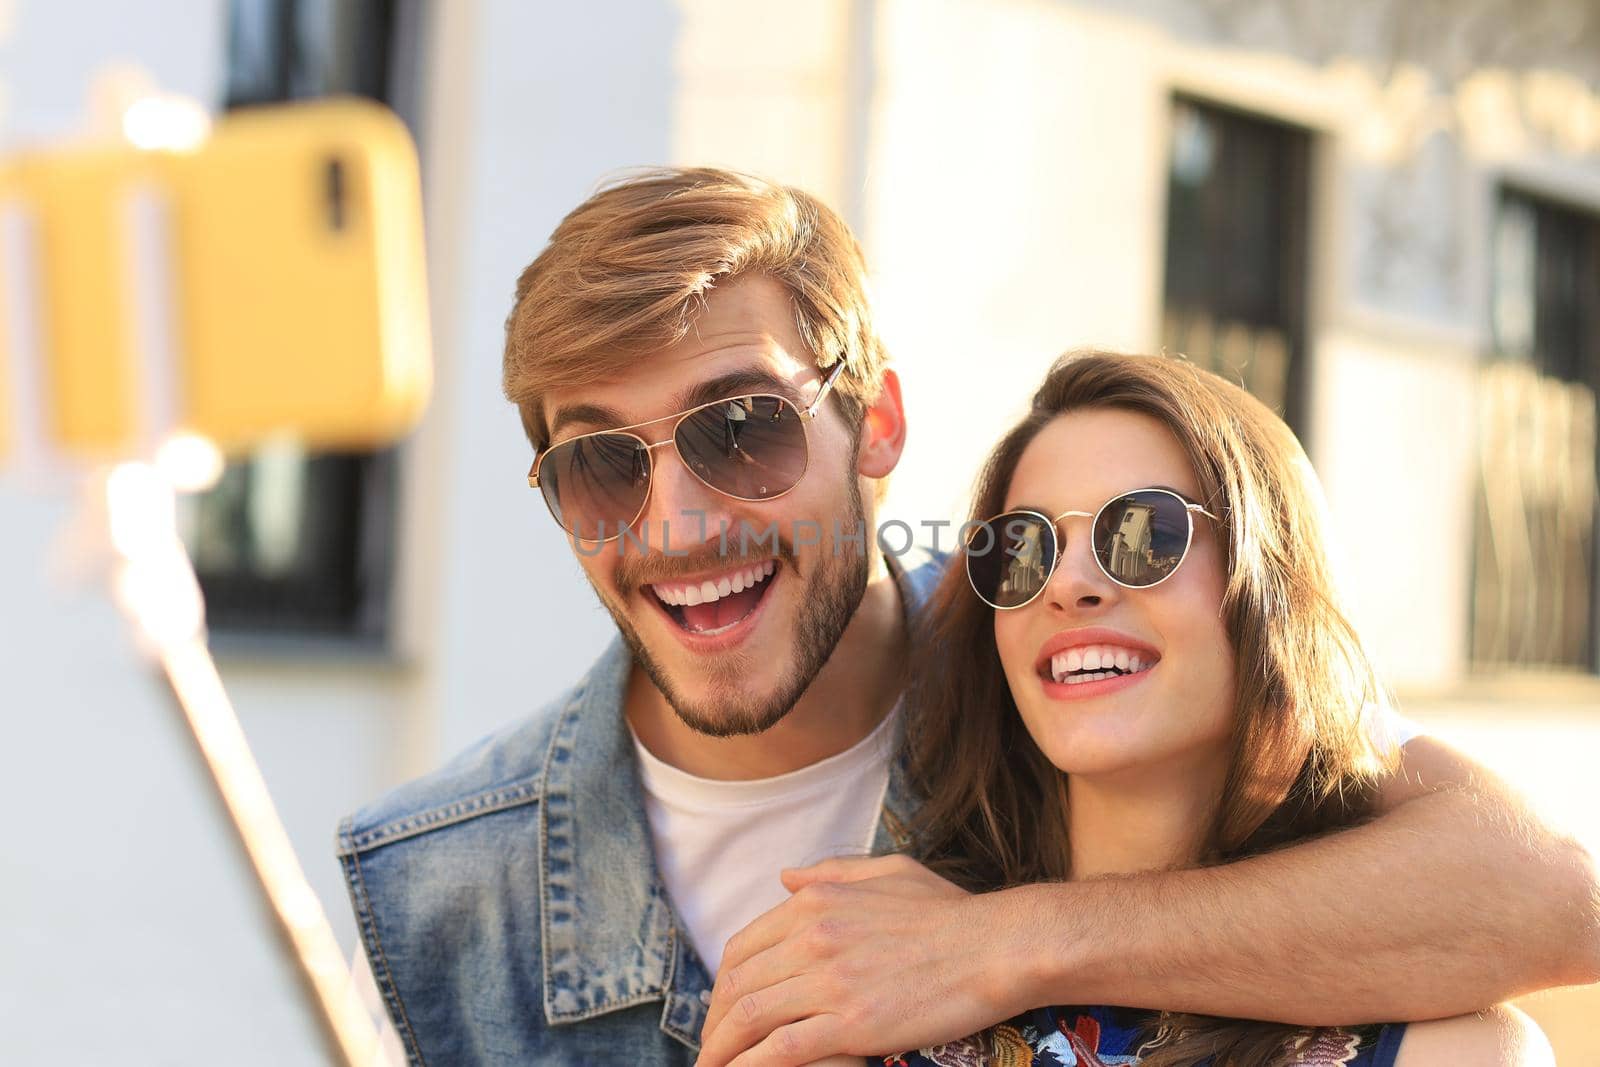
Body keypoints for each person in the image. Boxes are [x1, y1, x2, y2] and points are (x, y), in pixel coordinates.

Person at [335, 168, 1598, 1066]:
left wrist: (1005, 947)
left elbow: (1543, 896)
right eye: (602, 466)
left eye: (743, 428)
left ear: (874, 421)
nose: (675, 525)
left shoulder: (1062, 664)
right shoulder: (439, 897)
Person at [892, 351, 1551, 1064]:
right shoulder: (882, 987)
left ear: (1271, 589)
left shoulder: (1457, 1052)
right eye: (1026, 547)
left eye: (1146, 532)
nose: (1068, 583)